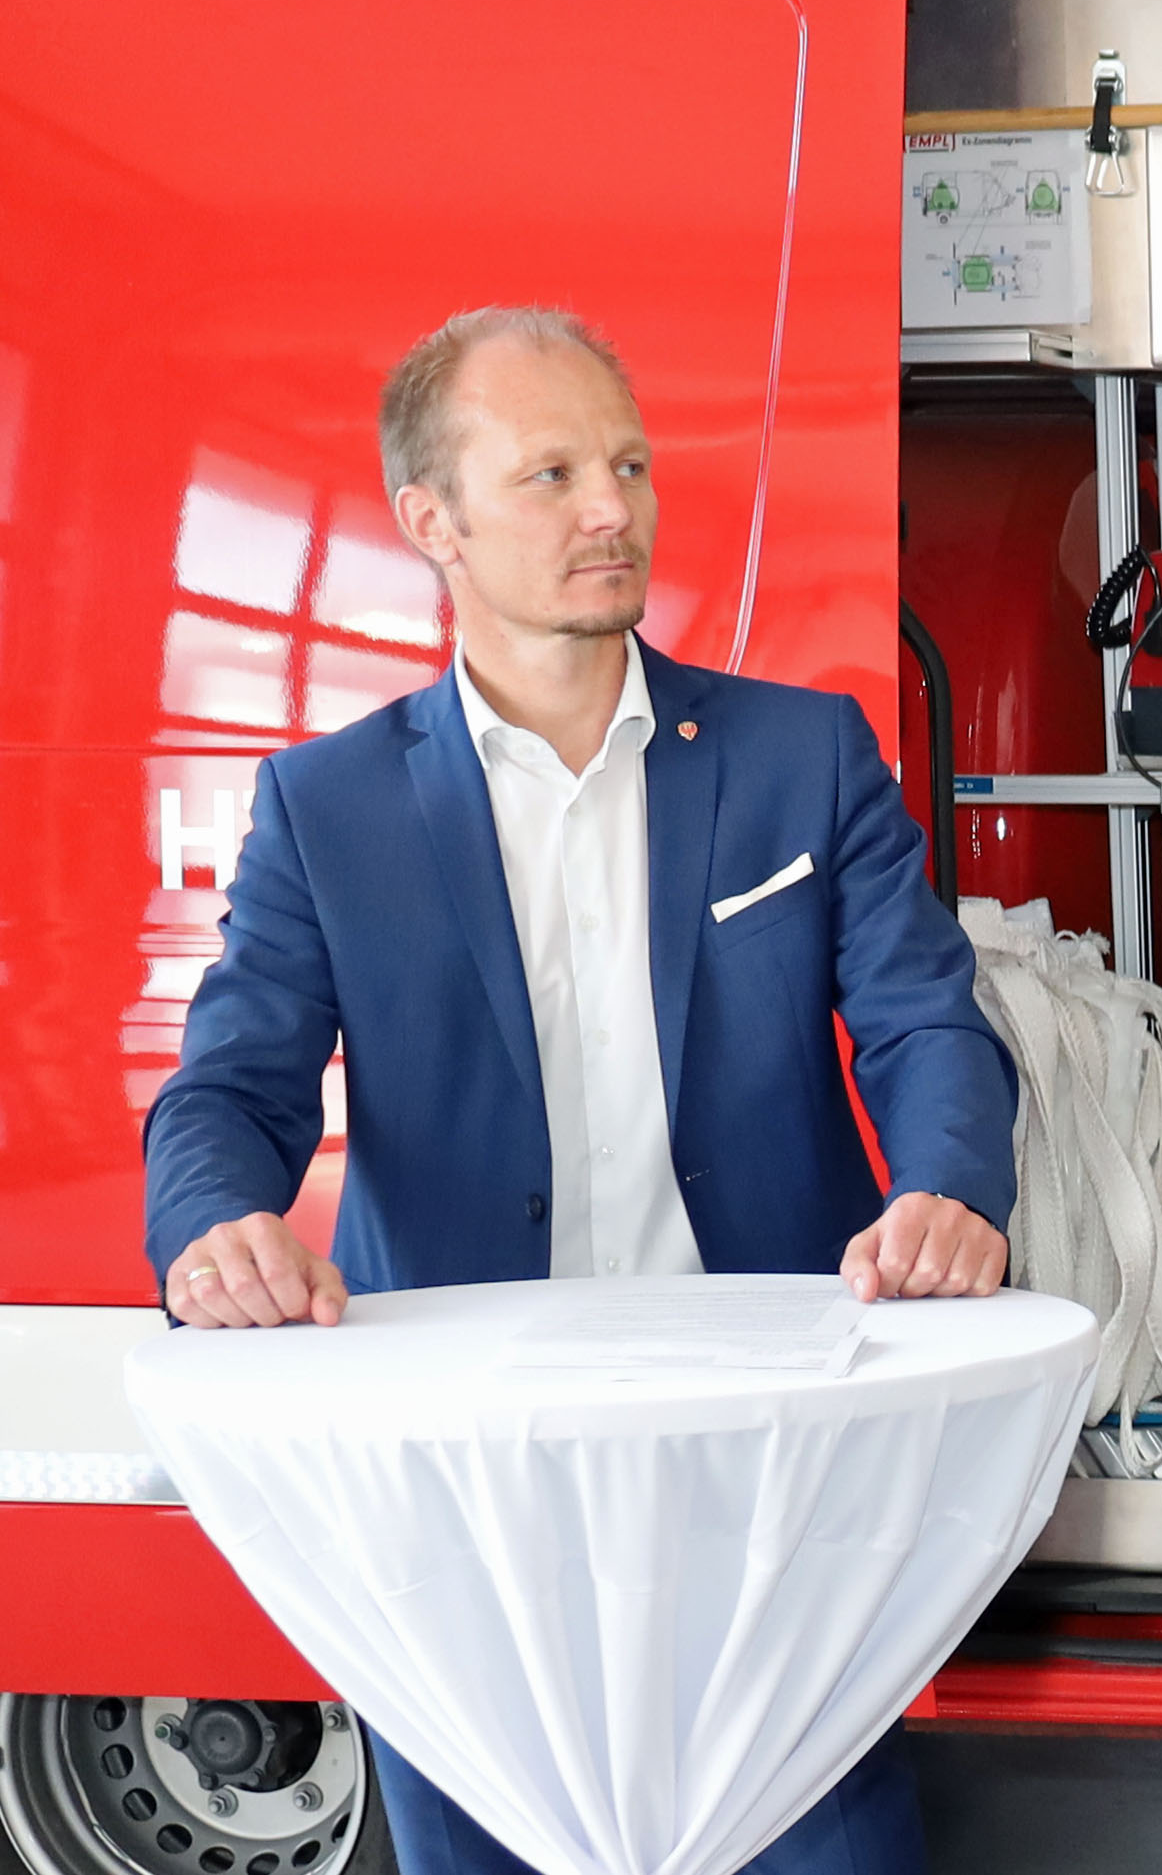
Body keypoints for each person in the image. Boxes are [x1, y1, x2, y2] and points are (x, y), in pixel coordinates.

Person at [142, 306, 1019, 1875]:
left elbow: (926, 1022)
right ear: (434, 523)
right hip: (476, 1488)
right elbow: (232, 1081)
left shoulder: (801, 756)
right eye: (549, 472)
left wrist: (946, 1186)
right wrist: (217, 1224)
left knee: (828, 1849)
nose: (611, 505)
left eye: (625, 461)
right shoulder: (329, 805)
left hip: (763, 1462)